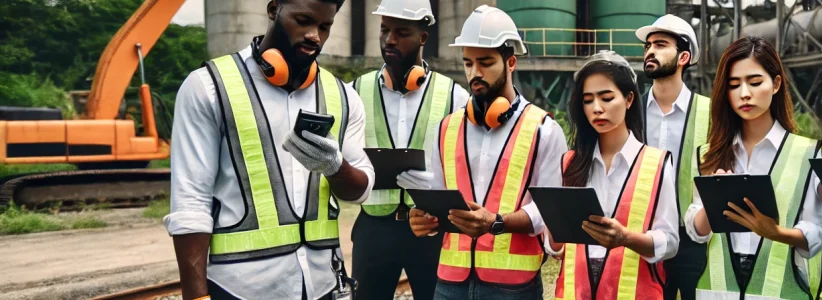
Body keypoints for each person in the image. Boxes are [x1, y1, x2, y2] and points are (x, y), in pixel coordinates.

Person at [165, 0, 373, 299]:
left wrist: (334, 167)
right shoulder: (209, 87)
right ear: (274, 9)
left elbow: (360, 191)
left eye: (324, 27)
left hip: (322, 284)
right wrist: (197, 296)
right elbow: (190, 202)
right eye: (303, 20)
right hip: (239, 288)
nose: (315, 35)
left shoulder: (343, 96)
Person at [404, 5, 568, 300]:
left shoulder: (544, 129)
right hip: (449, 283)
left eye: (485, 62)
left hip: (514, 286)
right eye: (468, 63)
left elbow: (549, 212)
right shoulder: (446, 129)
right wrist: (424, 221)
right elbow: (438, 197)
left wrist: (496, 222)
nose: (474, 73)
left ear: (511, 62)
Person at [685, 36, 822, 300]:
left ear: (775, 84)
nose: (744, 93)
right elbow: (697, 231)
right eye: (733, 85)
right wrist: (712, 202)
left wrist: (776, 233)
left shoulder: (806, 153)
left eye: (754, 82)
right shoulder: (709, 154)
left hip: (781, 291)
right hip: (717, 292)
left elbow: (818, 232)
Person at [348, 0, 469, 299]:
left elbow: (467, 165)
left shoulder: (455, 97)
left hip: (430, 228)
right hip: (374, 227)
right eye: (385, 30)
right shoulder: (354, 92)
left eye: (401, 32)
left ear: (423, 37)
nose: (389, 39)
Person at [546, 51, 680, 300]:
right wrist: (553, 230)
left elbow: (670, 242)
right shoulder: (570, 164)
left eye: (607, 98)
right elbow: (555, 247)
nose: (597, 108)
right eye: (588, 100)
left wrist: (626, 238)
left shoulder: (657, 163)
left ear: (629, 99)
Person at [634, 14, 712, 300]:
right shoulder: (631, 112)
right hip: (643, 237)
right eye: (648, 46)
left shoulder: (710, 112)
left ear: (684, 57)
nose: (650, 51)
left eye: (661, 44)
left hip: (695, 239)